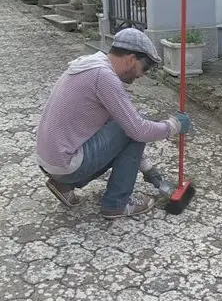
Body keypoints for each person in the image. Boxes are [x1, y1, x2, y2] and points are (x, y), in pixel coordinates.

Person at [36, 28, 191, 220]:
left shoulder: (92, 66)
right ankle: (116, 204)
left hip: (50, 162)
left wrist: (147, 168)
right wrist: (173, 125)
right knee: (136, 124)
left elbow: (119, 128)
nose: (142, 75)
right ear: (131, 59)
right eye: (145, 68)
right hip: (66, 164)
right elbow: (137, 130)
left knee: (127, 125)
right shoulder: (104, 77)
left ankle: (63, 185)